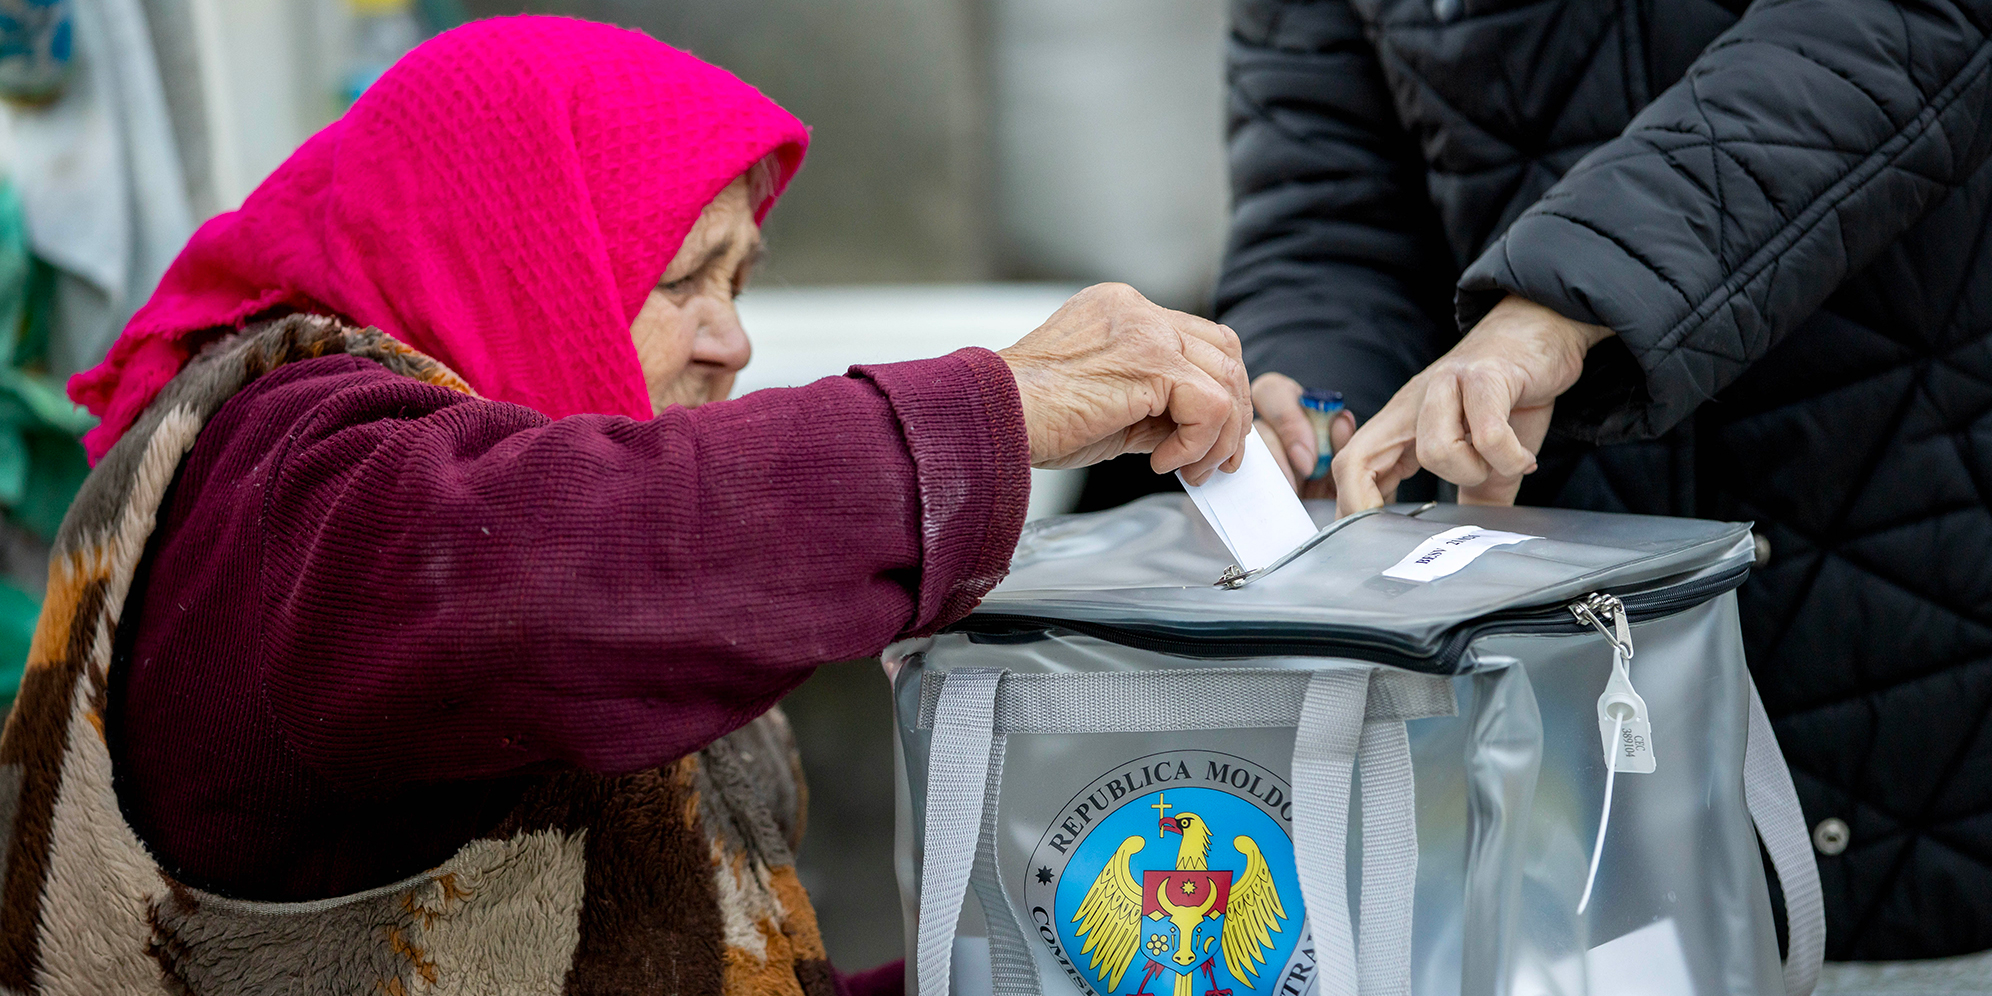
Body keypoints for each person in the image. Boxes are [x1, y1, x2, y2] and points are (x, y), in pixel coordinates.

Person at [0, 16, 1253, 993]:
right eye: (680, 274)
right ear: (510, 243)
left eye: (742, 282)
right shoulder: (288, 479)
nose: (733, 342)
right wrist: (995, 410)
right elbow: (532, 568)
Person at [1225, 0, 1992, 965]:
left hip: (1912, 586)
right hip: (1558, 736)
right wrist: (1314, 389)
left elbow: (1884, 31)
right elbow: (1331, 205)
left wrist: (1558, 304)